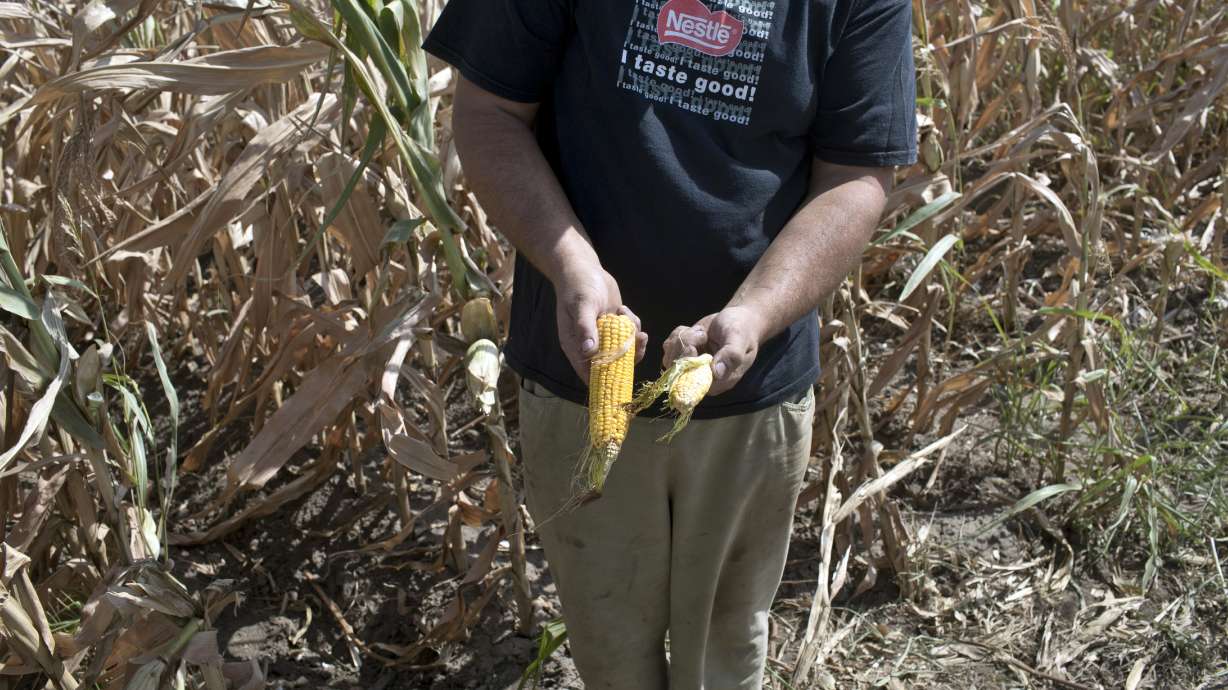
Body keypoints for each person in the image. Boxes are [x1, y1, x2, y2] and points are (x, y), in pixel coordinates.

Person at [424, 0, 916, 687]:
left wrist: (755, 312)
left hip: (752, 392)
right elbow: (489, 115)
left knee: (725, 647)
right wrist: (573, 266)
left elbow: (856, 176)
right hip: (581, 375)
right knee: (608, 644)